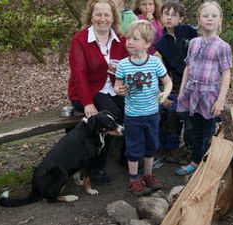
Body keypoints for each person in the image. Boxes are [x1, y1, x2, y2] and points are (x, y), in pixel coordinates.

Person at [68, 0, 129, 184]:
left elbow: (127, 66)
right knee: (111, 115)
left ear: (113, 17)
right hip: (85, 91)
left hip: (113, 88)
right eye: (98, 14)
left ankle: (127, 156)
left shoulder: (120, 39)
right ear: (90, 16)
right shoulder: (80, 40)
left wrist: (126, 86)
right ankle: (96, 167)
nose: (102, 19)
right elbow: (79, 75)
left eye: (106, 14)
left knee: (132, 108)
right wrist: (87, 102)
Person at [114, 20, 173, 196]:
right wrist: (119, 90)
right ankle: (133, 178)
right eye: (128, 38)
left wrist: (165, 93)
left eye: (135, 39)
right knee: (134, 147)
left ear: (147, 44)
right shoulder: (123, 65)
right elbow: (117, 86)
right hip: (132, 115)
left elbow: (167, 81)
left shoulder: (154, 62)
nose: (130, 42)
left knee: (151, 145)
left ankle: (148, 174)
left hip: (152, 114)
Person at [175, 0, 233, 175]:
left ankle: (204, 165)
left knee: (208, 132)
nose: (210, 19)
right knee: (194, 130)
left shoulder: (223, 46)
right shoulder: (194, 42)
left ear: (220, 20)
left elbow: (226, 73)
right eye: (205, 15)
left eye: (214, 16)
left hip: (210, 96)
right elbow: (188, 66)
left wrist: (220, 100)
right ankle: (196, 160)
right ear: (199, 19)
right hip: (192, 93)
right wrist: (182, 90)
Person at [155, 0, 197, 151]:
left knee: (188, 112)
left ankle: (191, 146)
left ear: (180, 19)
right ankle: (170, 147)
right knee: (169, 110)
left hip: (196, 81)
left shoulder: (189, 32)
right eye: (166, 14)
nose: (169, 18)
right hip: (177, 85)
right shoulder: (160, 44)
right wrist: (164, 93)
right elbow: (163, 72)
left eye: (173, 15)